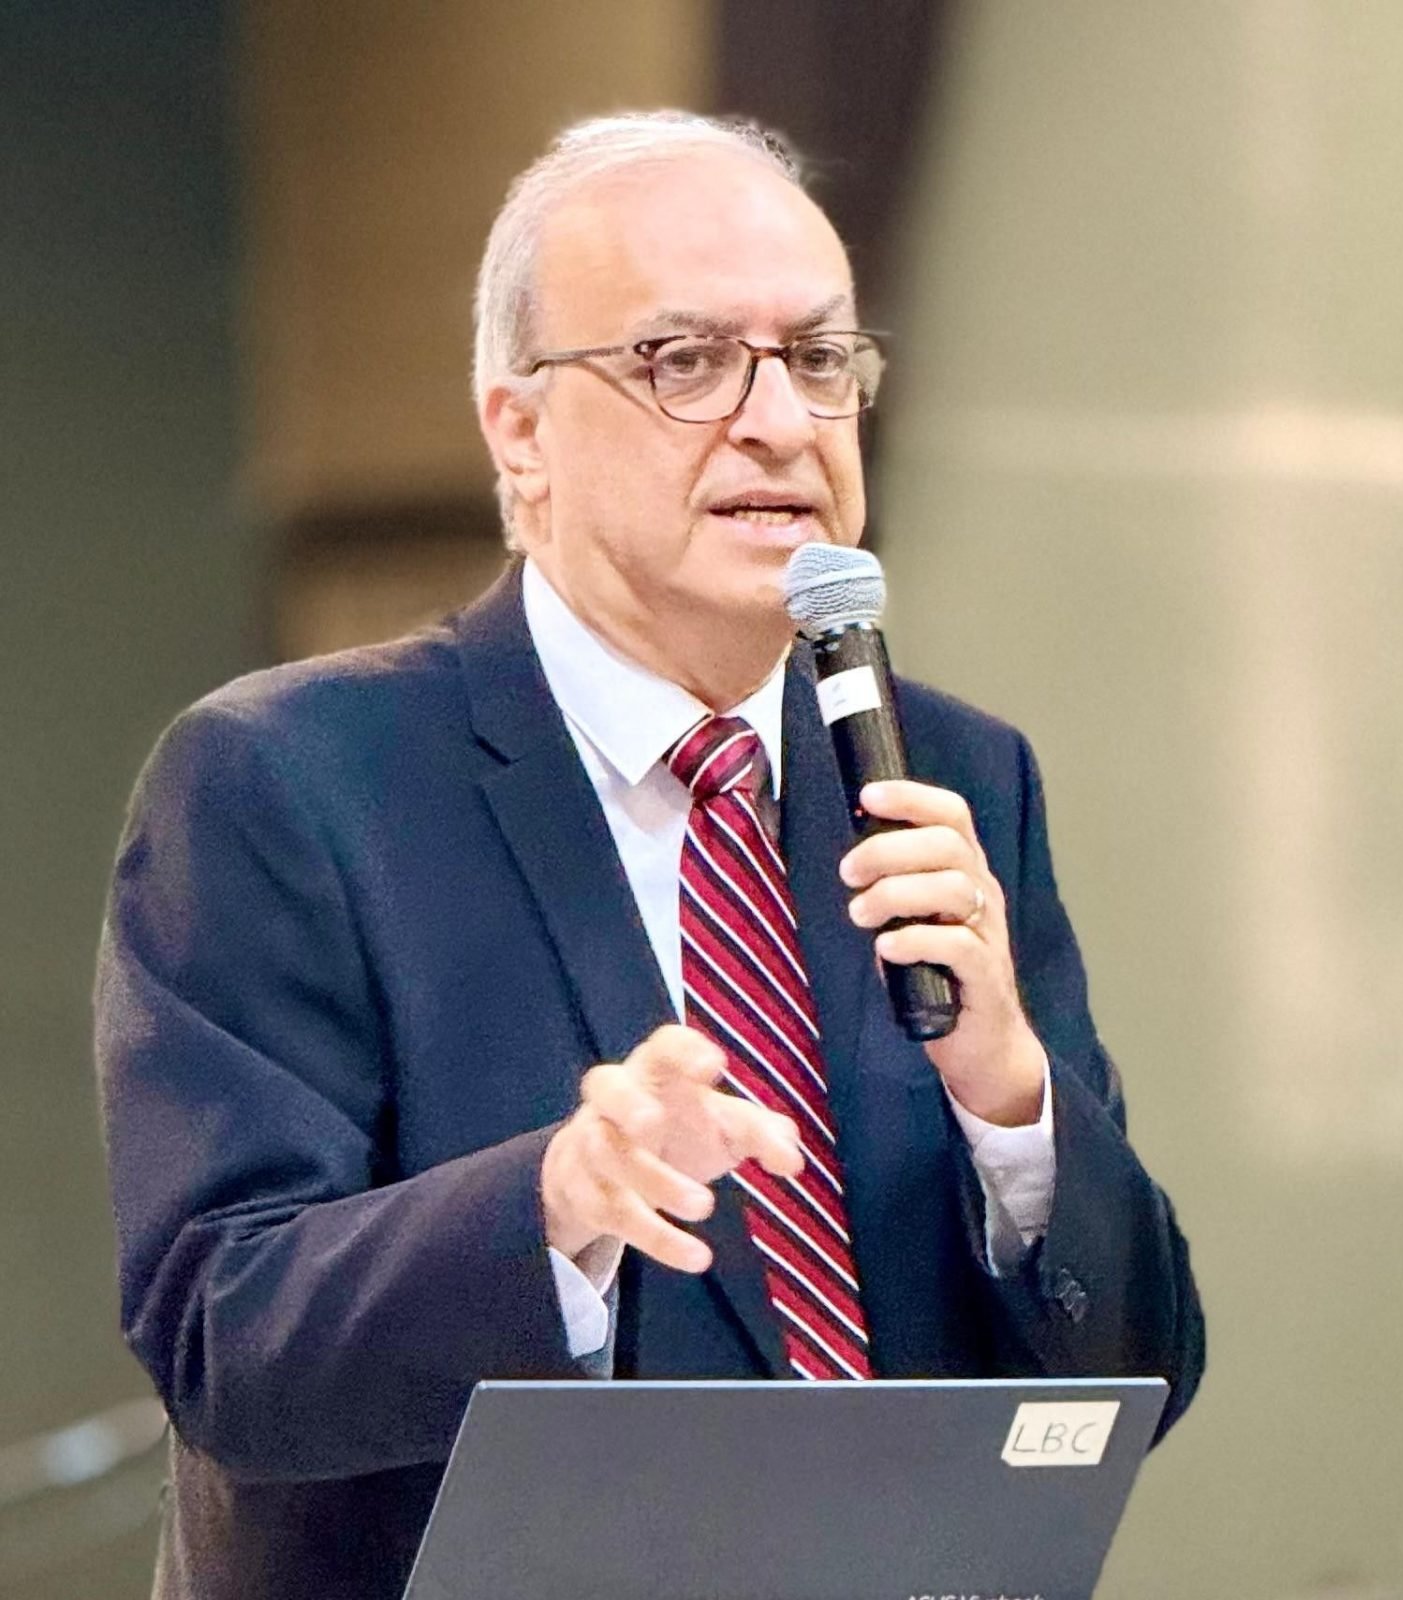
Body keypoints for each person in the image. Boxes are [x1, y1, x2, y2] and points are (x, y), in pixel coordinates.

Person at [95, 111, 1203, 1600]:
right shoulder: (287, 780)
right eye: (686, 361)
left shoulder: (953, 775)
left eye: (819, 358)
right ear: (521, 431)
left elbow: (1135, 1379)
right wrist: (555, 1206)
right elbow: (224, 1347)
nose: (780, 420)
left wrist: (1013, 1102)